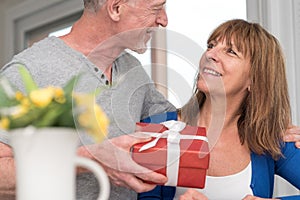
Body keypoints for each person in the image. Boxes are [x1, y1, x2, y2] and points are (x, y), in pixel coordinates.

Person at [0, 0, 176, 200]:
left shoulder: (132, 69)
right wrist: (91, 158)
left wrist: (213, 81)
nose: (164, 20)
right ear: (116, 8)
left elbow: (180, 121)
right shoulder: (27, 71)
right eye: (156, 9)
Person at [138, 19, 300, 200]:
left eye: (231, 51)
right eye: (211, 46)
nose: (210, 54)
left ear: (254, 79)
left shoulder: (272, 140)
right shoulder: (159, 129)